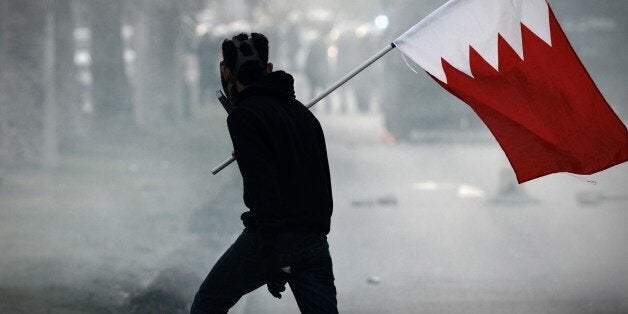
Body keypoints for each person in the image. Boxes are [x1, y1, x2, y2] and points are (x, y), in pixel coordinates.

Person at [191, 32, 337, 314]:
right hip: (314, 240)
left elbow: (264, 194)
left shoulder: (244, 117)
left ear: (225, 71)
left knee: (208, 303)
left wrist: (271, 259)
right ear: (268, 69)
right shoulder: (302, 114)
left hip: (272, 238)